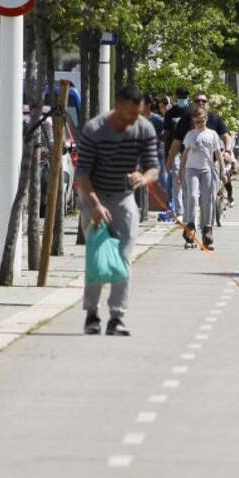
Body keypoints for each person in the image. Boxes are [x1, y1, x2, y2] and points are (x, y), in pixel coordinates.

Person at [75, 85, 160, 336]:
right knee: (98, 258)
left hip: (124, 200)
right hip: (96, 197)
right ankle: (91, 314)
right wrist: (95, 205)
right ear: (117, 106)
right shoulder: (95, 129)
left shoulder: (144, 128)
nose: (132, 120)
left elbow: (153, 167)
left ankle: (116, 317)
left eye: (137, 115)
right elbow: (82, 174)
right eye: (128, 116)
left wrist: (143, 178)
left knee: (123, 258)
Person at [179, 107, 225, 249]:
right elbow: (185, 155)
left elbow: (218, 154)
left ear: (206, 120)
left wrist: (222, 172)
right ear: (193, 121)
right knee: (192, 196)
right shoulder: (190, 135)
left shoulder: (212, 135)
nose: (200, 124)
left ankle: (207, 229)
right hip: (191, 169)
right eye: (197, 121)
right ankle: (190, 226)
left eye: (203, 121)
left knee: (207, 199)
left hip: (207, 169)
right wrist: (180, 173)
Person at [166, 90, 232, 174]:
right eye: (197, 101)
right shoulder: (185, 119)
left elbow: (226, 136)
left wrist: (227, 151)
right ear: (193, 104)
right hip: (189, 164)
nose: (200, 103)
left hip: (210, 164)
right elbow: (177, 142)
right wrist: (170, 160)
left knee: (211, 187)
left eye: (204, 101)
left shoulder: (215, 119)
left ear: (208, 104)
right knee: (192, 187)